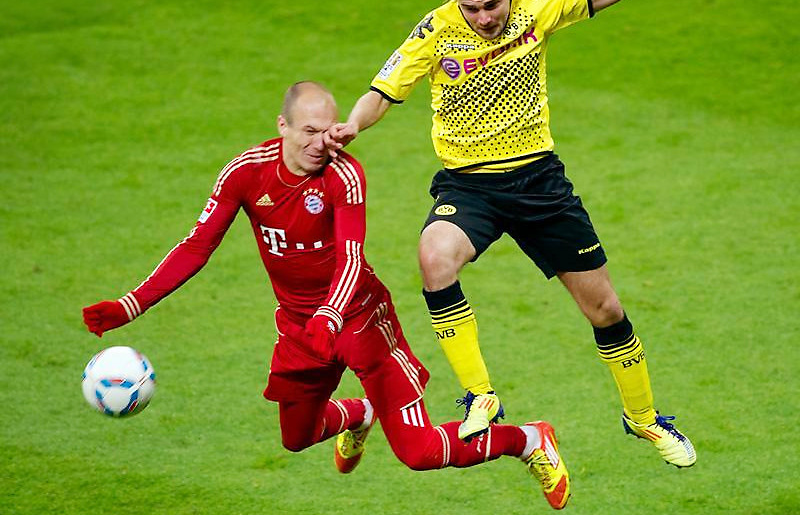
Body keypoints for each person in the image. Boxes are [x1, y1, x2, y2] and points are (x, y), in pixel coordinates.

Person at [82, 81, 573, 510]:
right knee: (295, 439)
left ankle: (527, 440)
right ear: (283, 126)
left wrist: (331, 315)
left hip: (360, 320)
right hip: (300, 329)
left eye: (329, 129)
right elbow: (196, 246)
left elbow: (351, 258)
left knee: (419, 452)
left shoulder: (344, 174)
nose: (322, 142)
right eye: (310, 131)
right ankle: (360, 413)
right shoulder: (245, 174)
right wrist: (131, 305)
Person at [324, 0, 696, 468]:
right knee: (435, 257)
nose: (483, 17)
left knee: (605, 309)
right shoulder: (435, 30)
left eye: (492, 4)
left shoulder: (537, 9)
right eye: (471, 8)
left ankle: (645, 418)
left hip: (540, 183)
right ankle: (482, 395)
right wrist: (351, 127)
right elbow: (382, 91)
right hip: (470, 186)